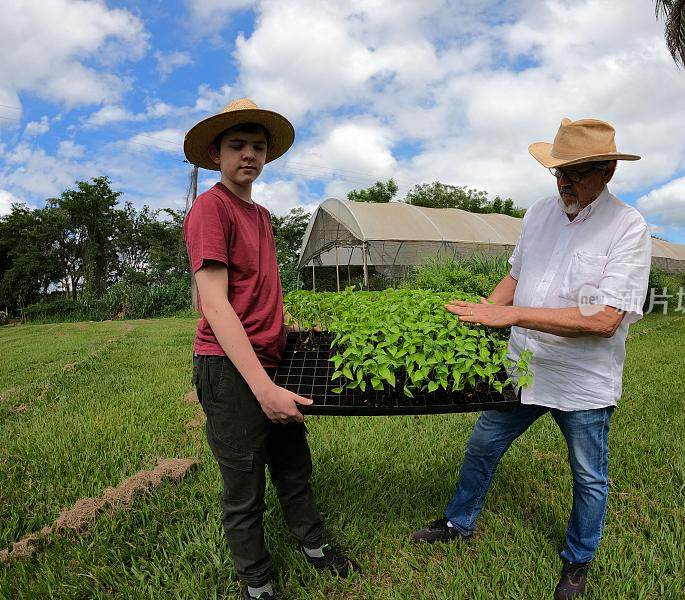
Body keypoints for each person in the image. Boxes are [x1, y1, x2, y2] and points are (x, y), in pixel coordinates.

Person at [411, 118, 652, 599]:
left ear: (607, 172)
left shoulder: (628, 227)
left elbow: (605, 318)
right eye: (559, 172)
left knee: (588, 475)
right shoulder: (539, 213)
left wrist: (512, 316)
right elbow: (515, 278)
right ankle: (459, 523)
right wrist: (482, 312)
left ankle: (578, 561)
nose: (565, 182)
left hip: (583, 381)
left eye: (578, 173)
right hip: (524, 368)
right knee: (483, 443)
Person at [183, 98, 357, 600]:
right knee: (244, 487)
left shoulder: (259, 214)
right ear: (216, 154)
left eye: (257, 147)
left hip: (272, 361)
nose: (249, 156)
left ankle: (314, 546)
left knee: (293, 464)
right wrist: (263, 389)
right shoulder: (211, 209)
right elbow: (215, 306)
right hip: (230, 368)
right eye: (237, 146)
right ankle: (257, 583)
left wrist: (287, 331)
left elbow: (258, 290)